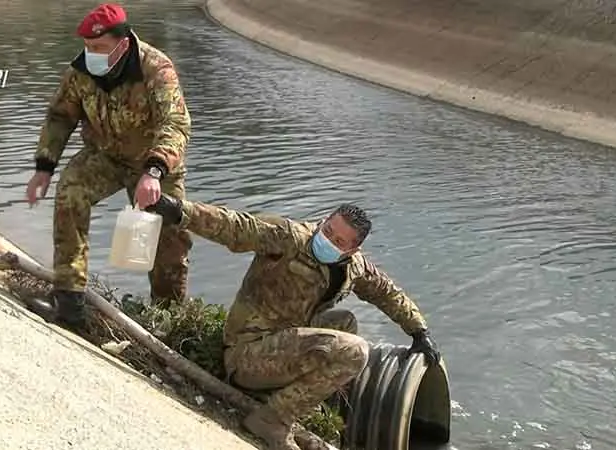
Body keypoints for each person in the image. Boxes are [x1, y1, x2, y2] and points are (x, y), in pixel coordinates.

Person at [146, 194, 441, 450]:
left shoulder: (354, 267)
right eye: (327, 230)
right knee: (354, 351)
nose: (327, 241)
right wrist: (179, 210)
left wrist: (418, 330)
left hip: (284, 348)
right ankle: (271, 420)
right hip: (248, 354)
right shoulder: (288, 237)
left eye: (338, 241)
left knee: (345, 323)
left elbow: (385, 291)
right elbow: (235, 226)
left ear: (351, 250)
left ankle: (295, 403)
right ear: (324, 220)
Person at [24, 3, 193, 329]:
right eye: (88, 47)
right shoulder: (82, 71)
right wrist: (44, 167)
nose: (91, 54)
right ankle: (69, 301)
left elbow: (175, 123)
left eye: (99, 48)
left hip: (153, 163)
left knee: (170, 240)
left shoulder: (156, 69)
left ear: (124, 44)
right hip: (105, 156)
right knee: (71, 192)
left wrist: (155, 170)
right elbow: (60, 116)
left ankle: (168, 322)